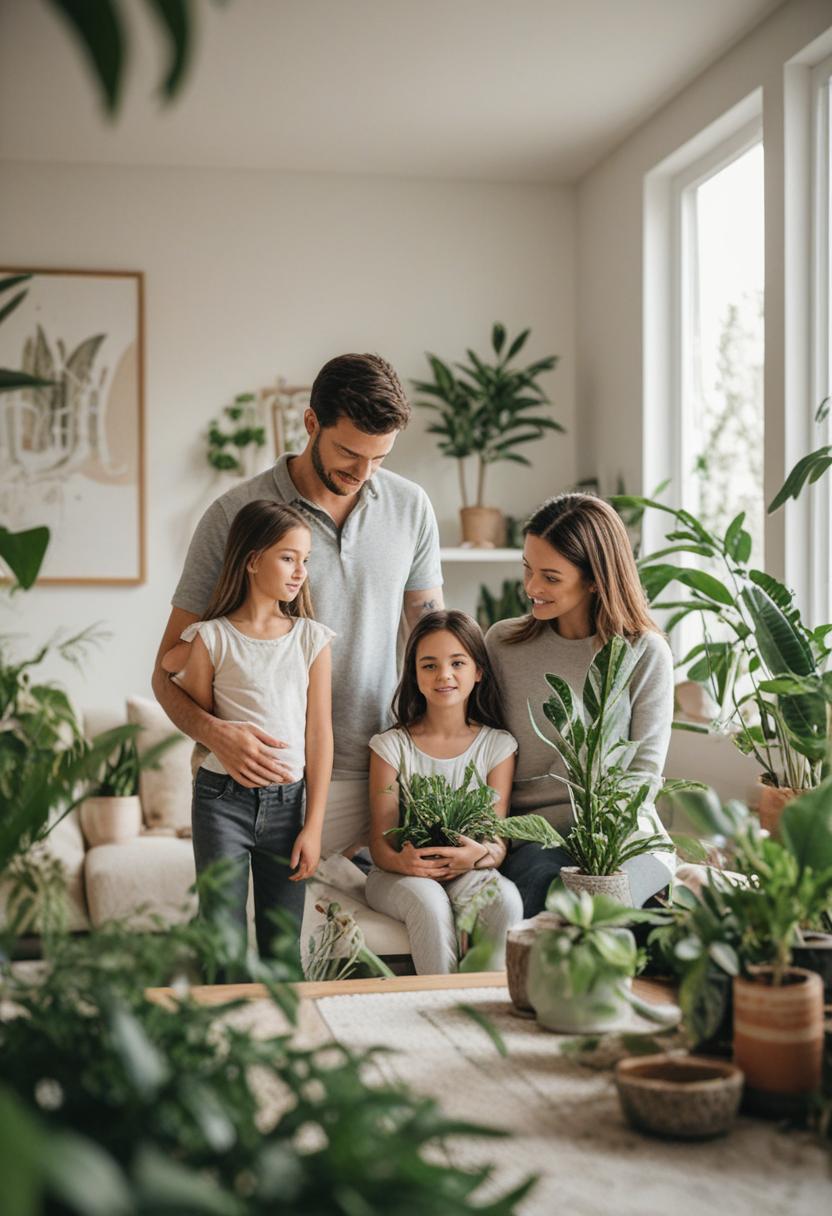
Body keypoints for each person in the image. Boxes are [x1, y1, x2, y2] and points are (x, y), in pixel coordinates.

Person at [153, 353, 443, 861]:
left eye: (380, 459)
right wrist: (216, 735)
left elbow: (432, 636)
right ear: (312, 423)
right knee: (257, 940)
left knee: (367, 937)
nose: (365, 473)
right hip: (260, 779)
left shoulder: (411, 507)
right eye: (350, 453)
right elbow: (166, 670)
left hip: (381, 771)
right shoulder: (234, 516)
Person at [485, 493, 675, 915]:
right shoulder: (502, 645)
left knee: (631, 910)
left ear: (594, 579)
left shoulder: (644, 653)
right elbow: (482, 749)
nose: (532, 588)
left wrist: (602, 860)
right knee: (555, 896)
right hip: (539, 836)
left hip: (623, 837)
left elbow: (642, 777)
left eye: (550, 577)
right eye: (528, 570)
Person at [161, 500, 333, 962]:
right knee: (221, 941)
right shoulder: (212, 637)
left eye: (305, 560)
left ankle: (288, 1032)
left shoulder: (311, 639)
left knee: (282, 945)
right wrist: (191, 651)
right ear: (252, 560)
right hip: (221, 801)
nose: (300, 571)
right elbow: (183, 686)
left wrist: (313, 826)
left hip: (288, 804)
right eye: (288, 557)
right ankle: (220, 1030)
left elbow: (319, 737)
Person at [365, 610, 524, 974]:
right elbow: (379, 844)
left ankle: (486, 1010)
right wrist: (402, 863)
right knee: (429, 902)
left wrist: (478, 857)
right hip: (396, 876)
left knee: (505, 900)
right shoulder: (390, 747)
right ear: (415, 675)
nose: (444, 676)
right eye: (429, 665)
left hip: (469, 870)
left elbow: (497, 841)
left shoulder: (497, 746)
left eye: (457, 663)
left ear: (478, 671)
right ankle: (437, 1006)